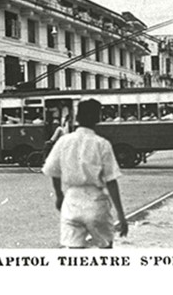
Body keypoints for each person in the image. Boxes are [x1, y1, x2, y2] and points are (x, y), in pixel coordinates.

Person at [42, 98, 128, 248]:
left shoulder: (63, 142)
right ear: (97, 119)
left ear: (77, 118)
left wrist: (59, 195)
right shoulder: (102, 144)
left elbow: (53, 171)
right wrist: (121, 215)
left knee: (74, 254)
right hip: (96, 203)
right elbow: (111, 180)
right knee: (105, 248)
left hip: (71, 203)